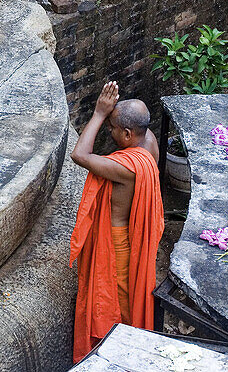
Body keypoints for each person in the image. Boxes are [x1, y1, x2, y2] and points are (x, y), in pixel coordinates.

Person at [69, 81, 164, 362]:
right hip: (134, 234)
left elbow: (79, 155)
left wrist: (99, 113)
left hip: (117, 241)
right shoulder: (150, 143)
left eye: (111, 128)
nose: (108, 132)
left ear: (126, 133)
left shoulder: (125, 167)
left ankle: (115, 354)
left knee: (113, 302)